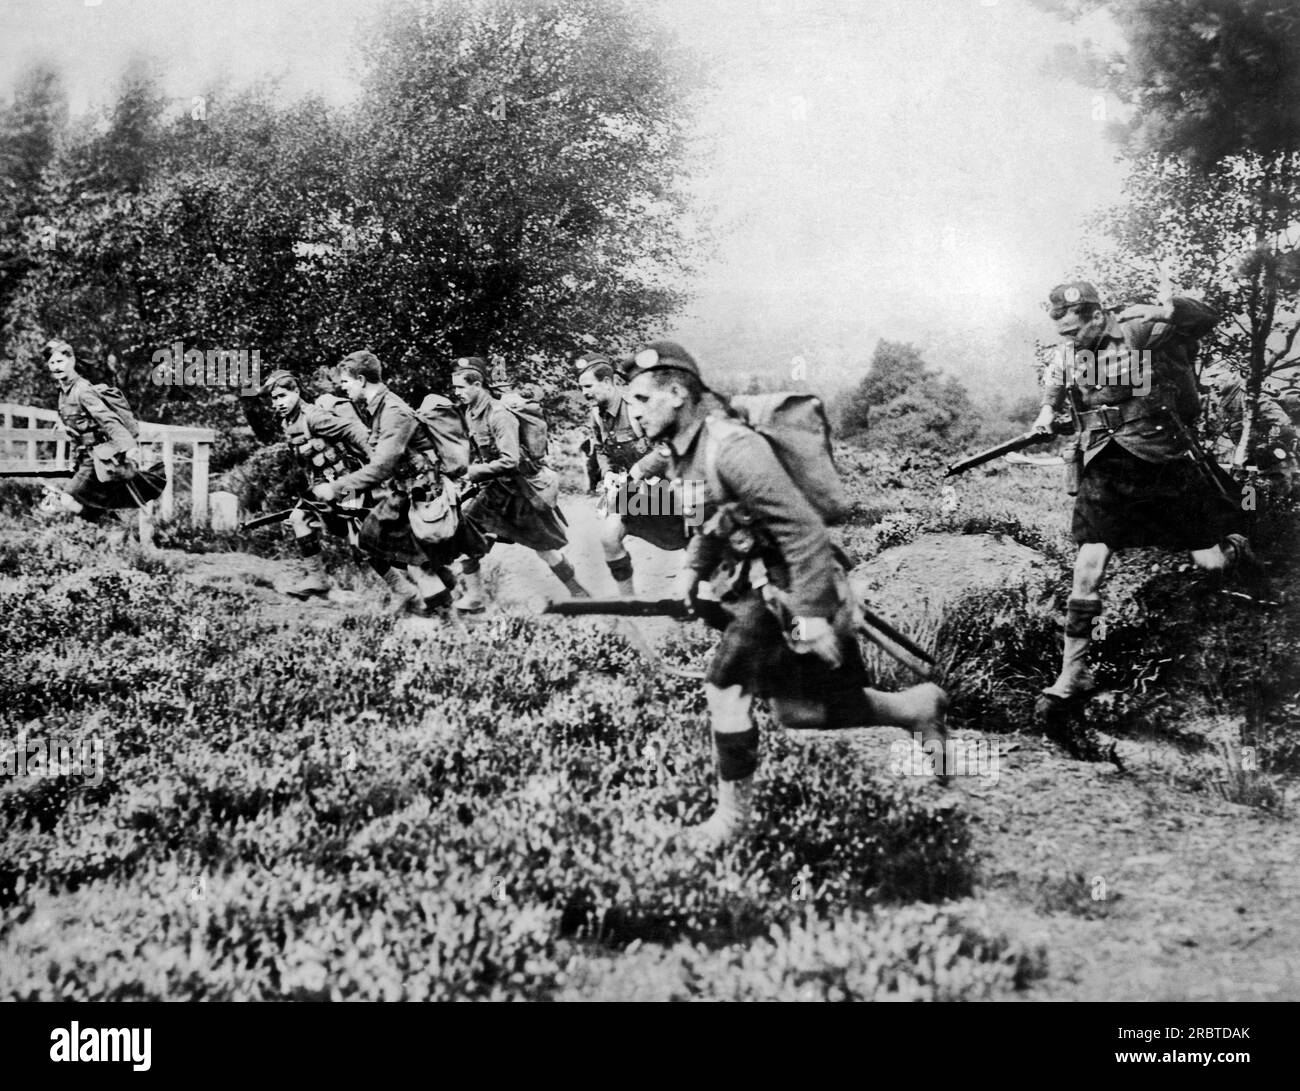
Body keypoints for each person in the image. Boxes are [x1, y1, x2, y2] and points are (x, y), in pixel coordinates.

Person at [623, 341, 948, 847]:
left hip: (789, 590)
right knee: (797, 714)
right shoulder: (682, 452)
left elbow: (805, 533)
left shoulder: (731, 447)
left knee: (725, 690)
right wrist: (692, 570)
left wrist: (814, 616)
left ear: (676, 392)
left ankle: (732, 823)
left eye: (642, 400)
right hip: (754, 588)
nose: (633, 413)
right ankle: (916, 708)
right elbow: (713, 520)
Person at [1029, 282, 1258, 720]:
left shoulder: (1139, 326)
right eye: (1063, 333)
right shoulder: (1067, 352)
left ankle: (1236, 546)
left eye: (1075, 330)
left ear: (1096, 315)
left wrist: (1171, 308)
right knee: (1087, 565)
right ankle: (1074, 674)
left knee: (1209, 561)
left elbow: (1204, 316)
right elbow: (1052, 394)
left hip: (1161, 459)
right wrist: (1044, 418)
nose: (1070, 340)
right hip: (1104, 461)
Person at [312, 351, 472, 613]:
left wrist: (335, 488)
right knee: (370, 539)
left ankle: (450, 626)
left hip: (424, 496)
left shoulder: (393, 411)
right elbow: (375, 454)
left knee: (418, 567)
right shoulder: (379, 407)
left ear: (361, 380)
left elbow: (382, 466)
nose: (343, 389)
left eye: (346, 383)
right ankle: (440, 591)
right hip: (405, 493)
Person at [451, 358, 590, 612]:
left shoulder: (499, 415)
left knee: (544, 548)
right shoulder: (472, 412)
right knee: (465, 534)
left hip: (519, 490)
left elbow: (510, 460)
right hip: (495, 490)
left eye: (461, 387)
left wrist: (473, 473)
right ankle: (475, 596)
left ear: (478, 384)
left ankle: (580, 593)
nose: (457, 393)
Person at [260, 368, 408, 604]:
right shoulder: (289, 421)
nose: (278, 403)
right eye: (274, 398)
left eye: (282, 396)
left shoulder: (314, 417)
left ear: (296, 392)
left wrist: (377, 461)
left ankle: (402, 589)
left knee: (359, 540)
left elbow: (354, 431)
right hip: (321, 484)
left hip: (347, 484)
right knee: (299, 519)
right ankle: (317, 579)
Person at [575, 354, 684, 596]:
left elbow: (667, 447)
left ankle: (700, 597)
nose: (584, 392)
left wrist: (638, 470)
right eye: (581, 387)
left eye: (588, 386)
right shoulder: (596, 414)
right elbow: (601, 448)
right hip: (630, 489)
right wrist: (608, 474)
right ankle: (628, 600)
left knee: (696, 540)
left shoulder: (637, 405)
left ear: (608, 382)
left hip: (671, 485)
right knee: (609, 537)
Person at [43, 338, 166, 540]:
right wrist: (65, 426)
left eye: (60, 361)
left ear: (71, 360)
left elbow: (108, 419)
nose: (57, 367)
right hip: (84, 456)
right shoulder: (64, 392)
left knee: (67, 499)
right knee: (80, 501)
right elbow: (82, 422)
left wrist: (128, 447)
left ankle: (112, 528)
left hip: (98, 457)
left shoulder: (83, 390)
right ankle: (114, 530)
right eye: (52, 363)